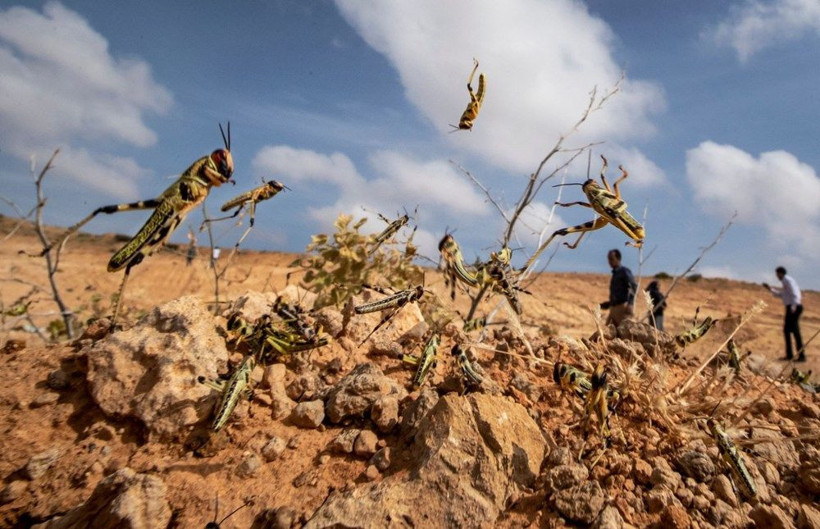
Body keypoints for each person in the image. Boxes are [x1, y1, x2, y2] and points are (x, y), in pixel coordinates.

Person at [764, 266, 804, 362]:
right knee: (787, 331)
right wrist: (770, 289)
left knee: (795, 332)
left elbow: (795, 294)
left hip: (793, 307)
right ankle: (790, 355)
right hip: (791, 307)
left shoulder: (788, 280)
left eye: (777, 274)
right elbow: (782, 295)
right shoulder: (785, 282)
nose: (777, 276)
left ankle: (801, 356)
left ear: (780, 273)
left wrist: (793, 307)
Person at [600, 249, 637, 327]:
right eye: (608, 259)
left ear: (618, 259)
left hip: (622, 308)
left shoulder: (624, 271)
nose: (609, 261)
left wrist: (630, 303)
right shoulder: (615, 274)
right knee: (606, 333)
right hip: (613, 308)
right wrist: (608, 304)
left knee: (625, 333)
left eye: (611, 259)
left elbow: (633, 286)